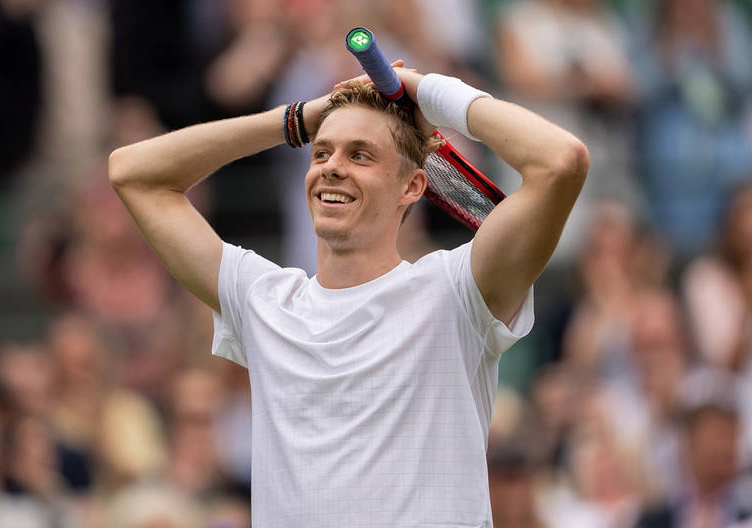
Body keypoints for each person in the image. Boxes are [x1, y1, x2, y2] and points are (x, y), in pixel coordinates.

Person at [109, 58, 589, 527]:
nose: (332, 168)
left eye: (360, 154)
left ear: (413, 186)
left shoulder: (459, 291)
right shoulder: (263, 300)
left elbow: (561, 161)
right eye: (322, 152)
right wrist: (295, 121)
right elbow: (133, 172)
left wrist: (425, 90)